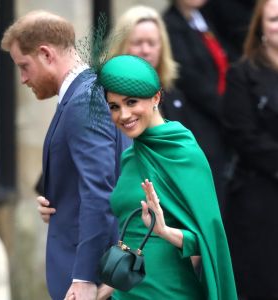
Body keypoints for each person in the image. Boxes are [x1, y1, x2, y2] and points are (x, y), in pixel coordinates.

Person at [1, 10, 130, 300]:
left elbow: (100, 192)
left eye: (24, 66)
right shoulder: (87, 92)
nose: (22, 79)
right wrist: (58, 201)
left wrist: (84, 277)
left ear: (46, 54)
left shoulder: (83, 99)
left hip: (91, 278)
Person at [97, 54, 237, 300]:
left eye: (132, 102)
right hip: (127, 293)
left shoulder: (184, 153)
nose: (124, 114)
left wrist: (164, 231)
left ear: (156, 98)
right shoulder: (130, 156)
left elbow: (208, 239)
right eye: (114, 106)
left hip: (170, 292)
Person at [221, 0, 278, 299]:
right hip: (259, 197)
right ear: (261, 29)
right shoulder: (242, 74)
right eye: (274, 19)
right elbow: (242, 134)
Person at [163, 0, 231, 211]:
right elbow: (191, 80)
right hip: (198, 122)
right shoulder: (170, 24)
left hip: (219, 121)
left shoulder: (203, 20)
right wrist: (229, 110)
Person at [107, 5, 188, 125]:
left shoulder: (172, 94)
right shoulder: (104, 96)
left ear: (162, 47)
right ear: (121, 45)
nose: (146, 50)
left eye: (152, 43)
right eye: (137, 43)